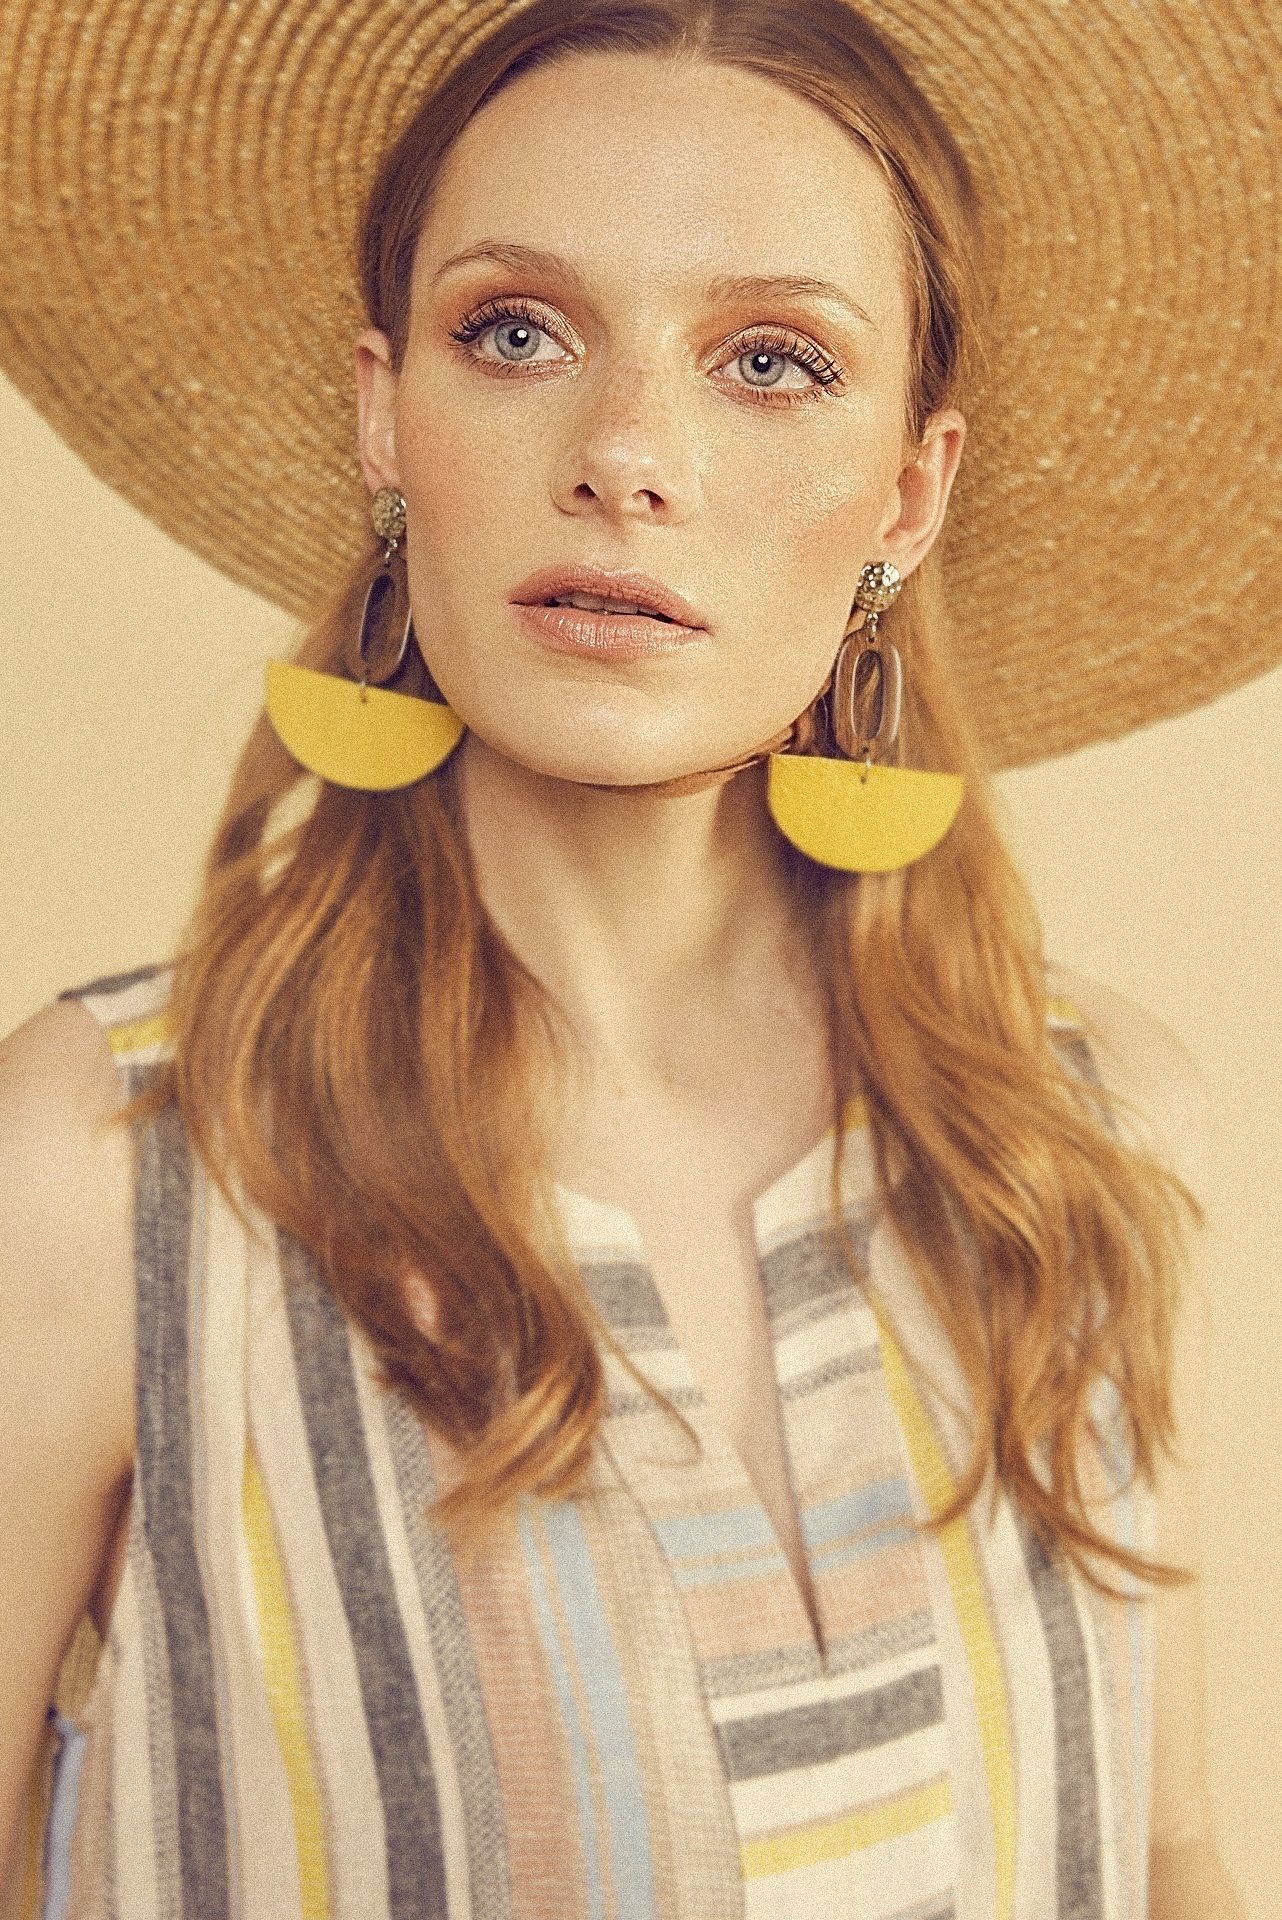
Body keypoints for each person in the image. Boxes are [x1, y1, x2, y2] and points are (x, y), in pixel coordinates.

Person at [0, 0, 1273, 1914]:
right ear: (384, 416)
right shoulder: (103, 1170)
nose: (622, 456)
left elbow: (1166, 1851)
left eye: (769, 361)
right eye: (515, 332)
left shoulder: (1085, 1125)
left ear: (907, 494)